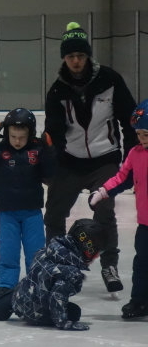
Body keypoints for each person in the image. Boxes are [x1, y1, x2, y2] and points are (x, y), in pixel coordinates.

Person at [44, 21, 138, 295]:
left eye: (80, 55)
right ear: (64, 58)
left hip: (104, 159)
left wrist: (131, 159)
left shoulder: (110, 80)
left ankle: (109, 266)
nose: (76, 61)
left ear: (87, 56)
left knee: (105, 212)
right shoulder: (57, 91)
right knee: (54, 213)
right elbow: (53, 134)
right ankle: (57, 264)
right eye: (70, 56)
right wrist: (52, 166)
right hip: (70, 162)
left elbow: (130, 120)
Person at [0, 108, 55, 298]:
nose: (17, 141)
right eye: (13, 137)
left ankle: (37, 287)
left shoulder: (38, 149)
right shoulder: (0, 149)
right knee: (8, 253)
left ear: (30, 134)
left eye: (22, 137)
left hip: (32, 213)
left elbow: (51, 174)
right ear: (6, 134)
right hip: (7, 213)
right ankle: (6, 287)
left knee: (35, 253)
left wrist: (49, 151)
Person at [0, 218, 104, 331]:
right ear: (88, 249)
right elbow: (57, 296)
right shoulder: (71, 273)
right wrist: (63, 322)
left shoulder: (47, 251)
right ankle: (43, 314)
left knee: (21, 288)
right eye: (96, 253)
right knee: (75, 311)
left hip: (19, 299)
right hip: (36, 312)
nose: (96, 257)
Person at [89, 100, 148, 318]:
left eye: (146, 135)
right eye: (139, 134)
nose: (141, 139)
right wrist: (103, 191)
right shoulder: (136, 154)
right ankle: (139, 301)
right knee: (141, 264)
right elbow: (123, 178)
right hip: (145, 225)